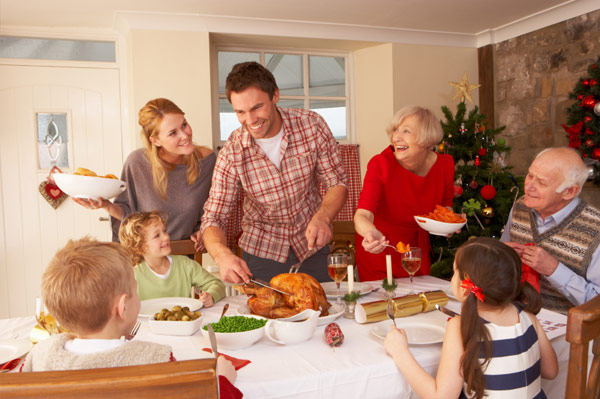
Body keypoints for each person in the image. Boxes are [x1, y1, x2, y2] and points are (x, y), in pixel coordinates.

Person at [20, 237, 242, 399]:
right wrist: (222, 382)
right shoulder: (155, 358)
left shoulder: (39, 355)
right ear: (123, 308)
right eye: (136, 291)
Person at [201, 61, 348, 283]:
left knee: (322, 313)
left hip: (312, 246)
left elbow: (337, 182)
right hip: (261, 252)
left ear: (275, 96)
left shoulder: (311, 125)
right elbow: (214, 216)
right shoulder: (232, 150)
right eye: (240, 112)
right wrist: (222, 255)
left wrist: (324, 217)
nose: (250, 120)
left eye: (257, 108)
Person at [384, 237, 558, 398]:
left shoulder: (459, 326)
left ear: (465, 286)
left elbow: (441, 396)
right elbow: (551, 371)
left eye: (454, 272)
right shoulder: (527, 316)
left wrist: (401, 353)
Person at [73, 98, 215, 245]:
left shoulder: (207, 162)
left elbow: (214, 209)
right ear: (155, 141)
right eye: (173, 133)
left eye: (184, 125)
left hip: (185, 259)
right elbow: (130, 215)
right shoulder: (137, 163)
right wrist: (106, 205)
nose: (185, 135)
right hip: (143, 259)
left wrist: (204, 229)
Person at [353, 106, 454, 282]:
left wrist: (449, 223)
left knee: (418, 304)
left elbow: (445, 205)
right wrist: (370, 233)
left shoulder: (445, 165)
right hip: (380, 249)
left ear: (426, 138)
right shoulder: (380, 164)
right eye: (395, 130)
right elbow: (362, 215)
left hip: (415, 254)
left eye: (406, 131)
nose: (396, 137)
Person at [501, 147, 600, 314]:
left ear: (569, 191)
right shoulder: (521, 206)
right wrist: (504, 254)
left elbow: (596, 303)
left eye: (541, 182)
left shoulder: (595, 230)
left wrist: (554, 270)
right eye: (530, 175)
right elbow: (500, 255)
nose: (529, 186)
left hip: (567, 332)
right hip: (515, 317)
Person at [119, 211, 226, 304]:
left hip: (183, 326)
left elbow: (217, 284)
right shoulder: (133, 275)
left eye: (164, 231)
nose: (166, 237)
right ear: (140, 247)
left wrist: (211, 296)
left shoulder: (185, 265)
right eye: (157, 235)